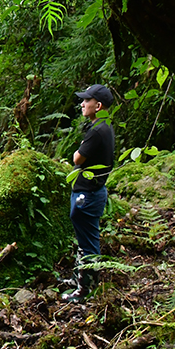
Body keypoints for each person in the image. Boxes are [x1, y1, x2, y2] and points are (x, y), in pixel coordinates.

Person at [61, 83, 115, 303]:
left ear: (98, 105)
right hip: (88, 190)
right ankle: (79, 278)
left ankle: (86, 289)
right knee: (83, 237)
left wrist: (78, 153)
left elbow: (77, 158)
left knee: (88, 240)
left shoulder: (97, 131)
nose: (82, 104)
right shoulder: (101, 127)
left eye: (86, 101)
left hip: (90, 193)